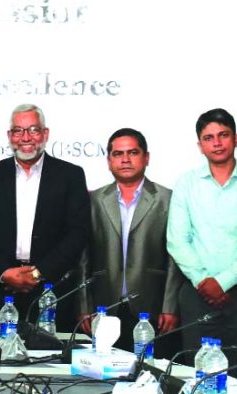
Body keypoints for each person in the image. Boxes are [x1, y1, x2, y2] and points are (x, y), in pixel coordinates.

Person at [166, 108, 237, 375]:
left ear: (235, 139)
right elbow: (178, 241)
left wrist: (222, 282)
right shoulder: (187, 183)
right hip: (196, 292)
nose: (217, 142)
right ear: (200, 145)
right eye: (209, 137)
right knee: (197, 373)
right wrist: (205, 282)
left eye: (223, 135)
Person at [0, 104, 89, 332]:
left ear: (45, 134)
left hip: (51, 289)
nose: (26, 137)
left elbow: (78, 233)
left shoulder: (70, 175)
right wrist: (5, 272)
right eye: (18, 131)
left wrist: (39, 273)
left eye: (33, 130)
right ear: (9, 136)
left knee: (49, 361)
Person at [79, 128, 182, 353]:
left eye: (133, 152)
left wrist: (170, 306)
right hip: (104, 307)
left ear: (146, 158)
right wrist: (84, 305)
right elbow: (83, 258)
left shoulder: (168, 199)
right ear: (108, 160)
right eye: (118, 154)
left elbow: (175, 258)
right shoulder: (94, 200)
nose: (125, 159)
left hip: (152, 309)